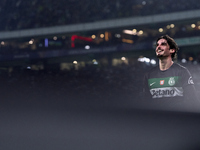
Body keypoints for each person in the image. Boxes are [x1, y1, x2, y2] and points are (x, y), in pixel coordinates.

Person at [142, 35, 199, 111]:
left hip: (177, 120)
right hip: (157, 120)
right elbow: (146, 103)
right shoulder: (149, 75)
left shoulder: (182, 72)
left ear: (172, 50)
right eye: (157, 45)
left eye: (163, 44)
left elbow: (193, 100)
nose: (158, 47)